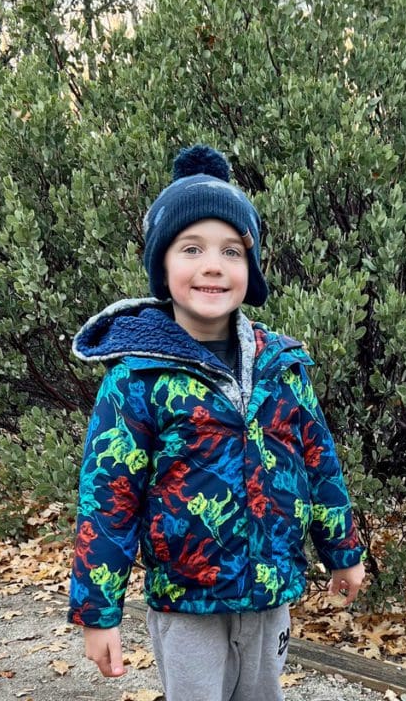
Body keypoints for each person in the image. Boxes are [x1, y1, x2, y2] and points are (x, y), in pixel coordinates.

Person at [68, 144, 366, 701]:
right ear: (163, 265)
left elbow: (320, 462)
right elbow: (109, 498)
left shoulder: (283, 365)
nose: (212, 264)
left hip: (269, 591)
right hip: (187, 602)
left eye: (232, 250)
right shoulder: (138, 380)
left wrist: (343, 552)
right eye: (191, 248)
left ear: (249, 271)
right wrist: (97, 611)